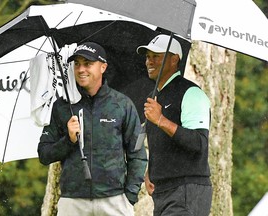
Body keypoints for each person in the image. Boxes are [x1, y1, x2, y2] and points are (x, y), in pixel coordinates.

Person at [38, 42, 147, 216]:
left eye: (87, 64)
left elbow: (138, 153)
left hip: (115, 200)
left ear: (103, 67)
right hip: (72, 202)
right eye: (77, 64)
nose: (81, 69)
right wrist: (69, 140)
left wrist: (129, 196)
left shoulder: (122, 104)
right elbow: (44, 154)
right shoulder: (62, 106)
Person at [136, 34, 212, 216]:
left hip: (186, 190)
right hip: (163, 191)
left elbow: (199, 144)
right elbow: (161, 143)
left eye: (157, 56)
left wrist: (161, 120)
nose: (150, 61)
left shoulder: (191, 93)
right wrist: (150, 171)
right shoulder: (155, 95)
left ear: (174, 59)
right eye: (148, 56)